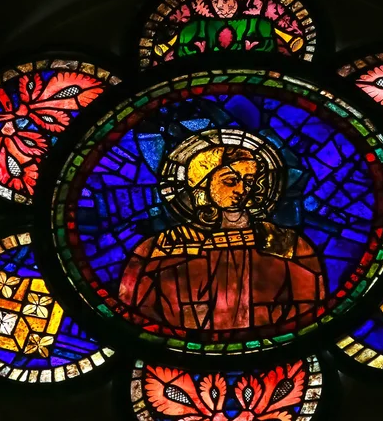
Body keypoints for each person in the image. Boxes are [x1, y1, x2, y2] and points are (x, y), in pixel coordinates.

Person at [119, 143, 328, 340]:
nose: (241, 190)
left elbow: (310, 309)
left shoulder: (287, 244)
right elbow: (137, 312)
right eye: (230, 180)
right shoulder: (164, 247)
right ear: (202, 183)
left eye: (249, 181)